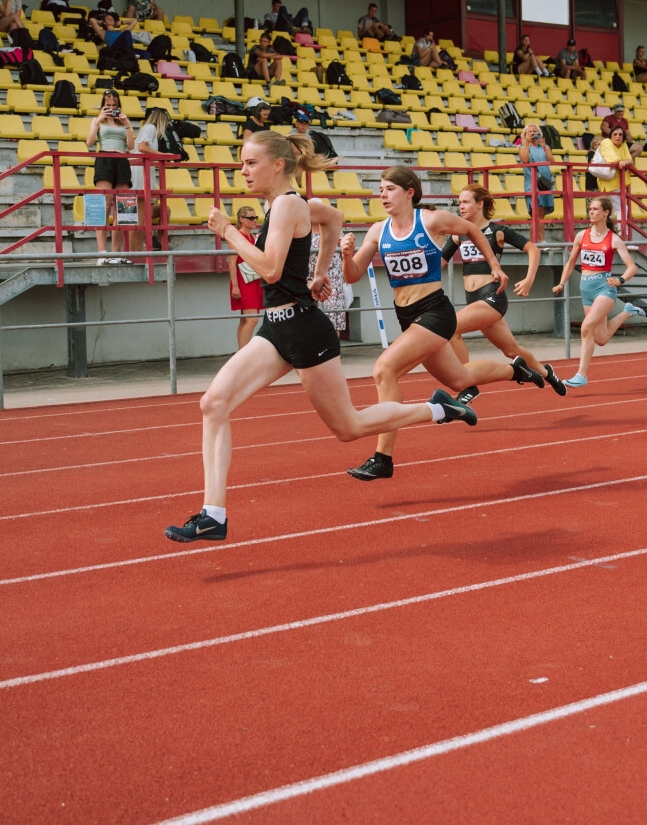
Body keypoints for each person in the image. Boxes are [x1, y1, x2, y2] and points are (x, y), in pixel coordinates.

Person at [165, 135, 478, 543]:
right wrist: (320, 270)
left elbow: (271, 269)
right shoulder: (285, 206)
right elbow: (332, 218)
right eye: (242, 163)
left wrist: (228, 232)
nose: (242, 170)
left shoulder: (288, 205)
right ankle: (213, 514)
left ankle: (437, 409)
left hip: (305, 329)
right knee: (214, 403)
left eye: (251, 162)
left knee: (349, 427)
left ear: (278, 165)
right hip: (276, 327)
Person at [338, 166, 543, 481]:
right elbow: (353, 275)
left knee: (384, 370)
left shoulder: (431, 220)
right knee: (460, 379)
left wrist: (495, 267)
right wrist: (345, 256)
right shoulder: (379, 231)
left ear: (410, 192)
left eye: (389, 188)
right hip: (407, 316)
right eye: (380, 189)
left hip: (434, 311)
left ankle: (383, 458)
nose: (382, 194)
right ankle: (516, 370)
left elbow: (473, 230)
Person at [443, 184, 567, 395]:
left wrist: (528, 279)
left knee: (450, 329)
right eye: (459, 203)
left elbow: (533, 250)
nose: (460, 207)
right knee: (511, 350)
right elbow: (440, 263)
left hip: (492, 297)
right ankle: (546, 372)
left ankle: (467, 384)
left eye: (465, 202)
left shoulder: (497, 231)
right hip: (473, 300)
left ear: (480, 204)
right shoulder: (459, 234)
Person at [552, 196, 645, 387]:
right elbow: (570, 262)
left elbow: (632, 267)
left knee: (586, 328)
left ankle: (581, 375)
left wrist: (620, 279)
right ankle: (628, 311)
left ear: (606, 212)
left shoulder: (614, 239)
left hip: (605, 288)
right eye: (590, 209)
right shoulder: (581, 236)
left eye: (595, 209)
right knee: (600, 338)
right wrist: (561, 283)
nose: (591, 212)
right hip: (586, 288)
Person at [85, 90, 134, 264]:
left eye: (114, 105)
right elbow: (89, 142)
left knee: (122, 209)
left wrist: (126, 123)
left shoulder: (123, 122)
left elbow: (131, 145)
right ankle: (102, 253)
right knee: (104, 206)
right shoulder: (97, 120)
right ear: (103, 105)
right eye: (108, 105)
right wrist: (98, 120)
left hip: (121, 160)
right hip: (104, 158)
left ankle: (116, 253)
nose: (111, 108)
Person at [131, 106, 171, 252]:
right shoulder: (150, 128)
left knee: (163, 210)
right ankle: (135, 252)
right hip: (140, 173)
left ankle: (155, 243)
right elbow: (142, 147)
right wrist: (162, 154)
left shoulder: (147, 129)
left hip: (143, 172)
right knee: (140, 218)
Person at [227, 205, 263, 348]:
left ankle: (241, 352)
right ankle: (244, 353)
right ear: (241, 219)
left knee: (246, 320)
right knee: (252, 319)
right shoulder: (237, 236)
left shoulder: (252, 236)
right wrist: (235, 286)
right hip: (243, 280)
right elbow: (232, 261)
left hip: (252, 278)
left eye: (256, 217)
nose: (255, 220)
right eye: (251, 218)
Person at [589, 124, 634, 204]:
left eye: (620, 134)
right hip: (609, 182)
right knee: (622, 209)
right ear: (611, 135)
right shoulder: (606, 142)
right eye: (615, 134)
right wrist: (622, 162)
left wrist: (624, 162)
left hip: (620, 182)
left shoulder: (624, 145)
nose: (618, 136)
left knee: (611, 210)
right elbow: (615, 160)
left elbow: (630, 161)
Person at [518, 123, 555, 217]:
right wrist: (526, 143)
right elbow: (525, 159)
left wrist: (545, 148)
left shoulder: (544, 147)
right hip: (532, 183)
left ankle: (540, 232)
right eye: (529, 132)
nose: (532, 133)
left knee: (541, 215)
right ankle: (535, 232)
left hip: (544, 183)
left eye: (534, 131)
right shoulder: (523, 147)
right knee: (535, 215)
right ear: (525, 135)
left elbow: (552, 161)